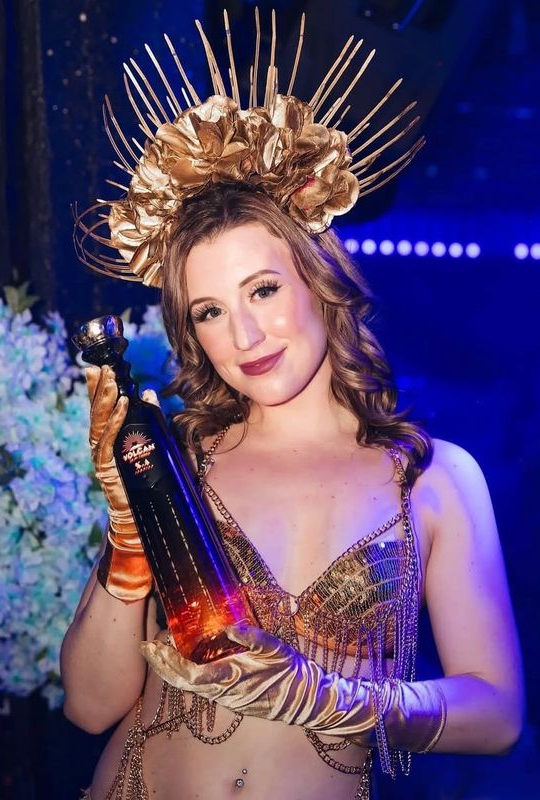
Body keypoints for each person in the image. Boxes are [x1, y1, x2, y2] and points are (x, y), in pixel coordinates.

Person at [60, 10, 524, 800]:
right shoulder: (180, 462)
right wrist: (130, 537)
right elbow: (89, 705)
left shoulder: (436, 480)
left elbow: (498, 713)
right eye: (209, 311)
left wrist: (335, 700)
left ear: (318, 278)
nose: (243, 335)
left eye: (264, 290)